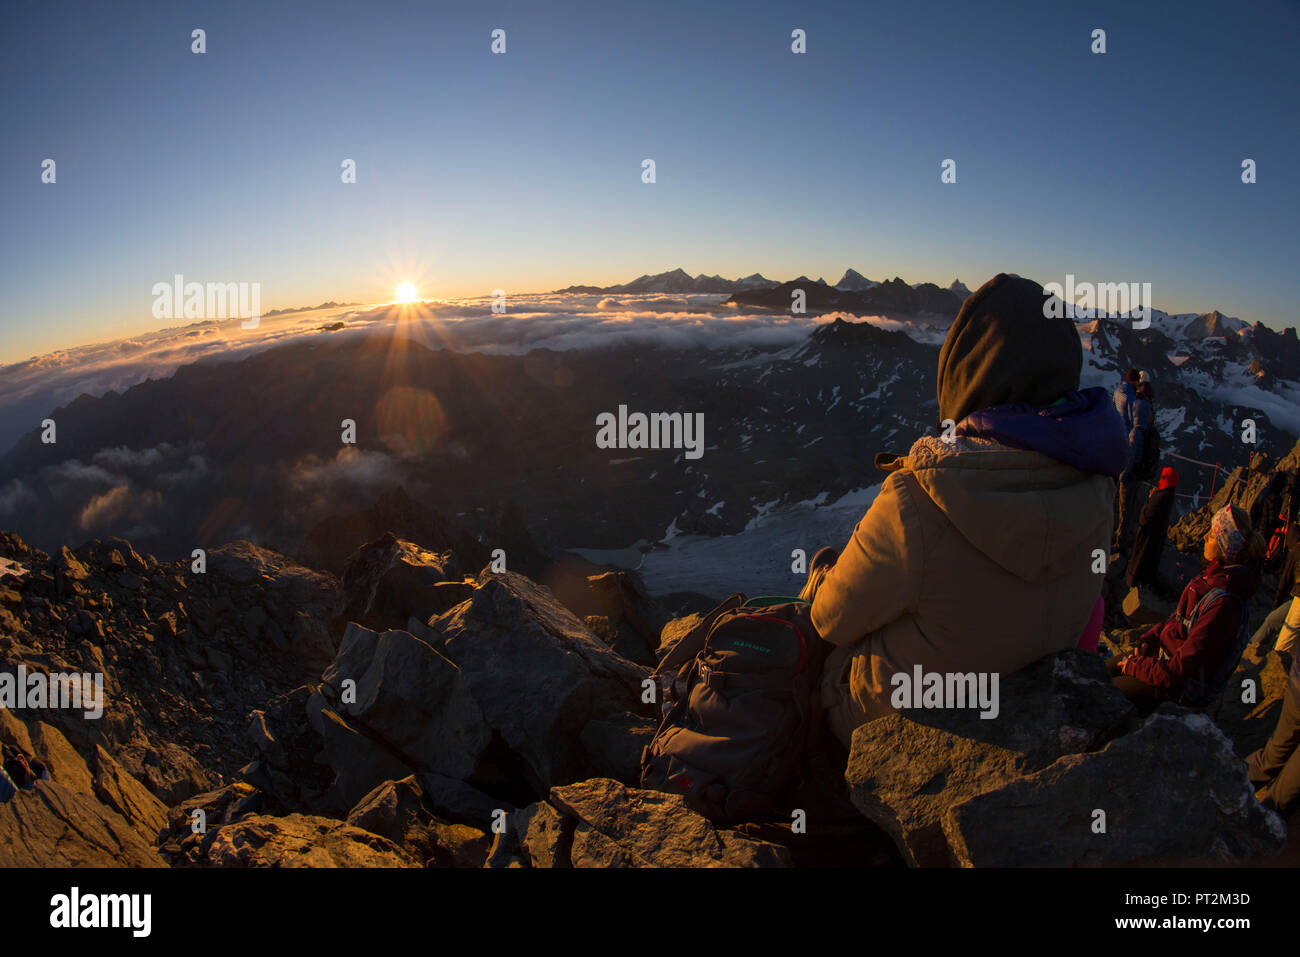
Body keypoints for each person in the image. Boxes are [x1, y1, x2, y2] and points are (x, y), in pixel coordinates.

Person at [800, 274, 1128, 748]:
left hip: (886, 724)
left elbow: (830, 621)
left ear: (965, 373)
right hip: (1026, 703)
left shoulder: (919, 498)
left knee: (816, 612)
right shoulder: (1099, 487)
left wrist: (824, 579)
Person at [1108, 504, 1264, 715]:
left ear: (1222, 545)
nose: (1204, 537)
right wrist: (1149, 641)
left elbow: (1180, 671)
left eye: (1211, 535)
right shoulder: (1211, 579)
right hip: (1162, 662)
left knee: (1104, 691)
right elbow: (1177, 620)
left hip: (1176, 691)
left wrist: (1136, 666)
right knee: (1100, 670)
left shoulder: (1223, 606)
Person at [1246, 593, 1300, 816]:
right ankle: (1267, 821)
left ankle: (1227, 784)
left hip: (1297, 687)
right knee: (1292, 779)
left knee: (1275, 750)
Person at [1113, 380, 1155, 554]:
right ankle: (1128, 537)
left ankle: (1120, 543)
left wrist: (1122, 475)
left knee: (1124, 509)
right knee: (1131, 508)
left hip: (1130, 476)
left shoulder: (1135, 433)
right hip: (1140, 475)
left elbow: (1130, 455)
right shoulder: (1147, 431)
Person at [1125, 466, 1179, 590]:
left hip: (1146, 538)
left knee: (1139, 558)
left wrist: (1149, 499)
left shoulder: (1158, 497)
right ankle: (1145, 583)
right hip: (1156, 539)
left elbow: (1144, 517)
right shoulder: (1169, 494)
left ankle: (1132, 580)